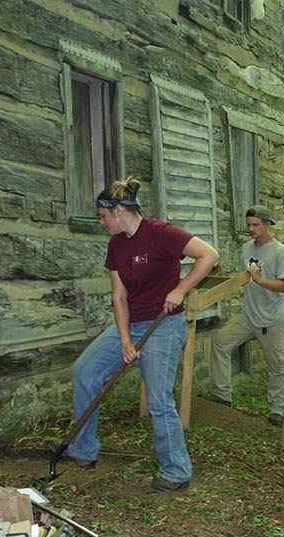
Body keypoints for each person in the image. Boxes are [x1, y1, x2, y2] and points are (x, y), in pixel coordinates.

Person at [64, 177, 219, 492]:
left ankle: (176, 472)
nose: (102, 222)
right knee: (84, 371)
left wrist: (180, 290)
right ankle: (83, 450)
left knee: (159, 399)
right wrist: (124, 341)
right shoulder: (116, 245)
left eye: (103, 216)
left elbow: (209, 255)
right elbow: (118, 297)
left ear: (118, 210)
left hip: (164, 323)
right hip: (131, 323)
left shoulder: (160, 233)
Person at [207, 205, 284, 427]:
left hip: (272, 319)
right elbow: (245, 276)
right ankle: (222, 395)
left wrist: (261, 280)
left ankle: (277, 410)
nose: (251, 229)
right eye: (249, 225)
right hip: (249, 316)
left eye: (255, 225)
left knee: (277, 365)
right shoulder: (246, 248)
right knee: (220, 342)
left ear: (267, 224)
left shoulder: (279, 252)